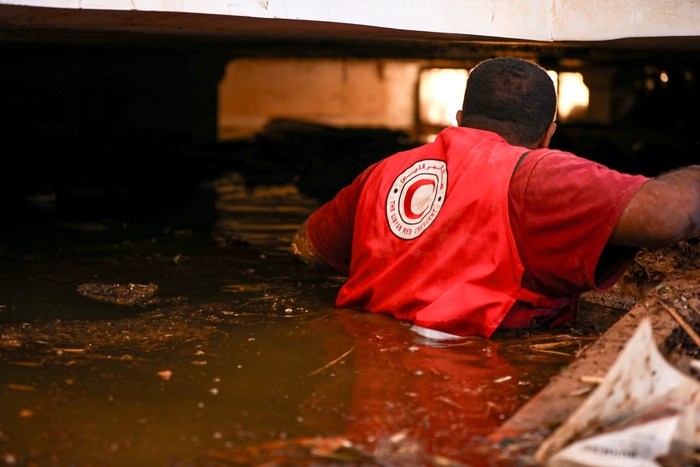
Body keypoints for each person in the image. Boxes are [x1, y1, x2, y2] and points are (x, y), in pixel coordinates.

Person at [291, 56, 700, 338]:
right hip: (475, 371)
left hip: (368, 360)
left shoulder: (381, 173)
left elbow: (306, 246)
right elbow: (674, 213)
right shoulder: (540, 175)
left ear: (460, 121)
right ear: (548, 135)